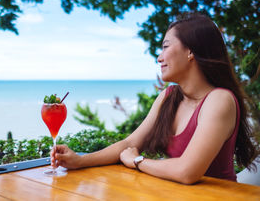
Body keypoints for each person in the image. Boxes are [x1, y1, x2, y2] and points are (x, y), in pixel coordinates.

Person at [51, 13, 258, 184]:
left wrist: (137, 161)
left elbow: (187, 171)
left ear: (190, 52)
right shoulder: (168, 96)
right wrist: (80, 161)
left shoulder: (219, 100)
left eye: (166, 47)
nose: (159, 57)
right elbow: (130, 143)